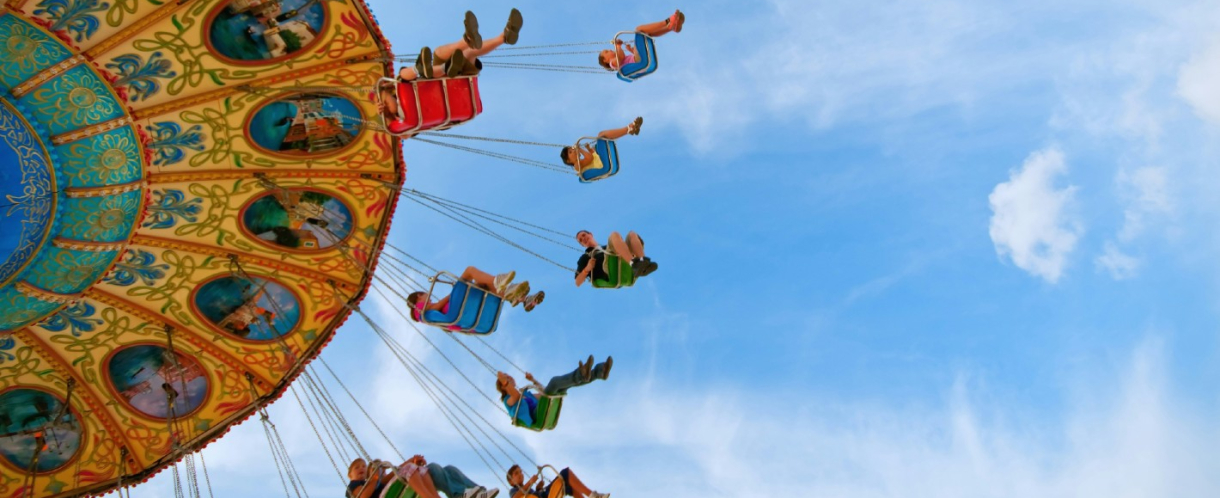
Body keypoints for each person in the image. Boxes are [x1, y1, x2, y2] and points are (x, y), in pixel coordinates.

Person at [379, 10, 523, 121]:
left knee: (462, 54)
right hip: (441, 88)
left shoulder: (401, 106)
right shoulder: (401, 117)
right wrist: (384, 102)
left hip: (450, 82)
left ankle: (501, 37)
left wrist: (383, 96)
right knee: (404, 76)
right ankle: (431, 67)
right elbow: (402, 131)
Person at [495, 355, 612, 427]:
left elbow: (545, 392)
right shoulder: (507, 400)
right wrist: (504, 381)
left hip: (543, 408)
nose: (509, 377)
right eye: (506, 378)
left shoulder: (526, 394)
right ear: (503, 388)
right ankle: (582, 374)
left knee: (561, 386)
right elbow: (515, 396)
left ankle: (598, 373)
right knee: (555, 382)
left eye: (509, 376)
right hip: (537, 416)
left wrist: (533, 380)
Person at [406, 267, 545, 323]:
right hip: (455, 310)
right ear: (419, 295)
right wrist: (453, 294)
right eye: (426, 295)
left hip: (462, 315)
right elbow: (436, 306)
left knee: (483, 287)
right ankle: (499, 281)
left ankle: (523, 299)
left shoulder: (428, 319)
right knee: (470, 271)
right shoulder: (419, 308)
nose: (429, 297)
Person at [348, 457, 499, 498]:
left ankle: (474, 493)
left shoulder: (379, 482)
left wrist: (411, 460)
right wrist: (374, 479)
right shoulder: (355, 485)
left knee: (442, 469)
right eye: (357, 467)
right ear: (350, 475)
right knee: (409, 470)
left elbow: (395, 472)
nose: (361, 468)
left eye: (363, 466)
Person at [598, 10, 685, 71]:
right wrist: (618, 46)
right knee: (639, 29)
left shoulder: (619, 60)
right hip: (639, 62)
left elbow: (627, 59)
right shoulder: (612, 64)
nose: (609, 50)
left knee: (647, 34)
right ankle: (668, 21)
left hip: (641, 61)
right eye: (606, 52)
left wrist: (631, 50)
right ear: (605, 60)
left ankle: (671, 28)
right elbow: (621, 57)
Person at [559, 118, 643, 174]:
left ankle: (630, 129)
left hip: (600, 160)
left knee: (603, 136)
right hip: (602, 164)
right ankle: (629, 128)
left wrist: (589, 149)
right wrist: (580, 149)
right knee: (601, 135)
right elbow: (590, 158)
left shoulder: (581, 162)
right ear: (568, 161)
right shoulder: (577, 166)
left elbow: (591, 157)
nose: (573, 151)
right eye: (570, 152)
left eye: (572, 149)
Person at [574, 230, 656, 286]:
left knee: (632, 234)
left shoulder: (606, 247)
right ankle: (634, 264)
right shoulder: (585, 257)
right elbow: (577, 282)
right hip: (610, 271)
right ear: (582, 245)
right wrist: (587, 269)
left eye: (584, 235)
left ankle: (642, 262)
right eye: (581, 240)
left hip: (622, 262)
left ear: (591, 234)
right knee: (614, 235)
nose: (583, 238)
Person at [506, 465, 608, 498]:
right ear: (511, 481)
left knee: (568, 487)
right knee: (565, 473)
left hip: (544, 495)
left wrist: (538, 488)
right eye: (516, 473)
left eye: (520, 472)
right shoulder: (513, 490)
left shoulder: (529, 489)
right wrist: (530, 482)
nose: (520, 474)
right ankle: (592, 495)